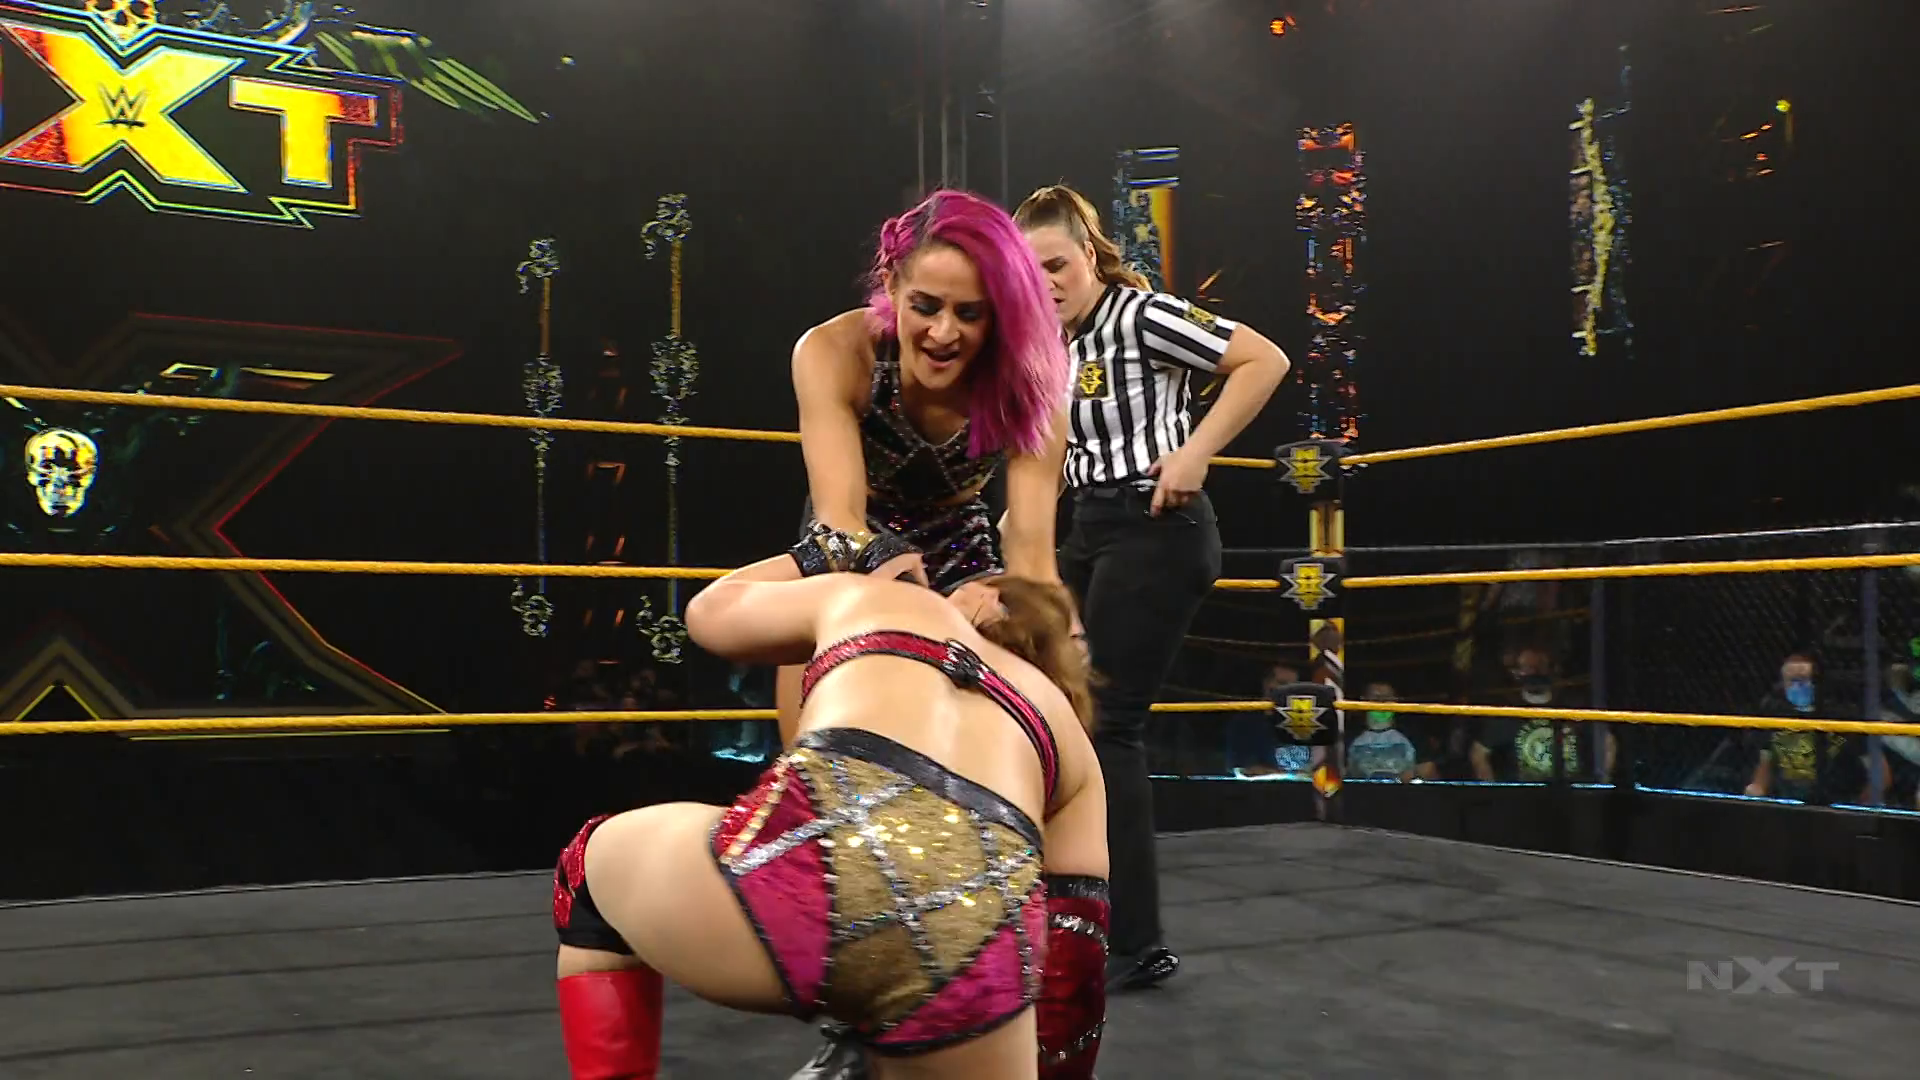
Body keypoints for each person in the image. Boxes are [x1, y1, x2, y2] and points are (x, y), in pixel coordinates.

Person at [551, 531, 1111, 1080]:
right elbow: (1076, 948)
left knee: (585, 871)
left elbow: (709, 613)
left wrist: (834, 550)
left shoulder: (884, 599)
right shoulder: (1067, 732)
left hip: (807, 864)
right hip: (974, 939)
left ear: (987, 595)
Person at [1015, 183, 1290, 991]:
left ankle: (1136, 941)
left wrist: (1196, 451)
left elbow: (1264, 359)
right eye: (1031, 272)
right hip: (1087, 529)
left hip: (1156, 525)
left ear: (1090, 256)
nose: (1047, 283)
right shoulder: (1045, 347)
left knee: (1109, 722)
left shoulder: (1142, 315)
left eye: (1057, 265)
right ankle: (1056, 912)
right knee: (1043, 709)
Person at [779, 189, 1074, 746]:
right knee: (815, 735)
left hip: (963, 550)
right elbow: (841, 524)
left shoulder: (1031, 379)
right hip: (852, 549)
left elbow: (1034, 559)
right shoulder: (834, 352)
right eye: (926, 306)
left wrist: (1046, 634)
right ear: (891, 284)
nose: (943, 333)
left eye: (969, 313)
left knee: (1028, 683)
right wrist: (927, 612)